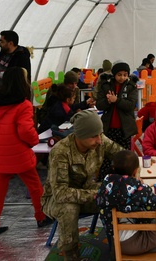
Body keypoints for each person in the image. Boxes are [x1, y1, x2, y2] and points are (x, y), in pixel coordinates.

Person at [41, 111, 124, 259]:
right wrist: (97, 194)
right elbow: (60, 193)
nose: (99, 140)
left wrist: (133, 172)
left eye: (100, 134)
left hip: (85, 189)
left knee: (118, 191)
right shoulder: (61, 152)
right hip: (55, 199)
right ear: (80, 135)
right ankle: (71, 254)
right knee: (69, 208)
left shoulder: (99, 139)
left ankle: (122, 244)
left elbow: (123, 155)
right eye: (94, 136)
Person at [0, 67, 53, 239]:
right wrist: (34, 141)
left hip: (0, 154)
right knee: (35, 186)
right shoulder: (23, 105)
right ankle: (41, 217)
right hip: (20, 154)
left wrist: (1, 138)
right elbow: (25, 131)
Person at [95, 150, 156, 255]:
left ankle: (149, 247)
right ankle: (149, 249)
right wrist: (141, 185)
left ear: (113, 168)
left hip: (114, 240)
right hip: (134, 242)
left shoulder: (106, 184)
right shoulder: (141, 189)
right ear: (135, 171)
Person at [94, 62, 140, 150]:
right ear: (114, 74)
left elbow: (131, 105)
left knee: (124, 154)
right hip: (108, 127)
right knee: (107, 153)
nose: (122, 77)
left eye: (125, 75)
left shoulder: (131, 86)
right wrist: (107, 101)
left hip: (125, 128)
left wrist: (116, 100)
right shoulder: (106, 86)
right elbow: (99, 105)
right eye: (119, 75)